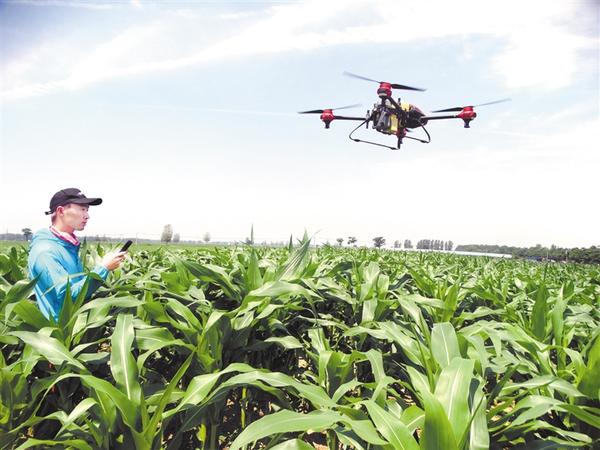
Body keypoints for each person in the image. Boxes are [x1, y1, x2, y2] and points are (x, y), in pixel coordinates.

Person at [28, 188, 126, 321]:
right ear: (61, 211)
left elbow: (77, 287)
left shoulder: (66, 245)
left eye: (87, 210)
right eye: (82, 209)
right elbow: (66, 297)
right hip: (59, 333)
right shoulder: (45, 251)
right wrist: (104, 268)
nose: (87, 216)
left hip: (75, 325)